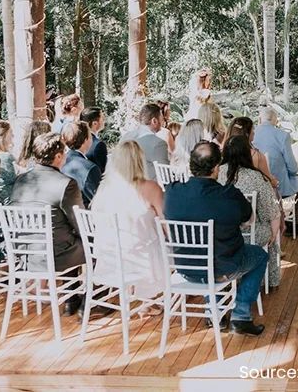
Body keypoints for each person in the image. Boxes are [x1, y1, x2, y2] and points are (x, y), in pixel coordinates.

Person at [163, 141, 266, 336]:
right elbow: (248, 219)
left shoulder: (172, 192)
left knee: (213, 253)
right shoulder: (228, 195)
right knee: (259, 256)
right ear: (216, 168)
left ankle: (214, 313)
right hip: (223, 268)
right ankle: (241, 315)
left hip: (185, 268)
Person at [8, 133, 85, 314]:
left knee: (65, 236)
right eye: (64, 153)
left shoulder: (21, 180)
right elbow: (79, 222)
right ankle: (92, 302)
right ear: (58, 157)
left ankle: (72, 299)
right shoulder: (66, 183)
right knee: (94, 245)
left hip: (25, 254)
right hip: (55, 255)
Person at [90, 141, 166, 303]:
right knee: (156, 236)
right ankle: (147, 298)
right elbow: (166, 224)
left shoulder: (104, 188)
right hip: (141, 258)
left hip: (110, 257)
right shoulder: (151, 188)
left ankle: (139, 294)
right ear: (139, 161)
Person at [225, 135, 283, 288]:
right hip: (251, 233)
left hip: (222, 235)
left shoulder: (216, 173)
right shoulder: (256, 177)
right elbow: (272, 212)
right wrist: (274, 233)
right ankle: (268, 280)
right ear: (246, 153)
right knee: (270, 233)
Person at [254, 107, 298, 236]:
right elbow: (293, 168)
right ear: (275, 120)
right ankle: (293, 222)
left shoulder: (252, 134)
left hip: (256, 188)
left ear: (260, 119)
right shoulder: (282, 135)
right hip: (278, 187)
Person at [119, 103, 170, 181]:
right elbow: (166, 176)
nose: (163, 122)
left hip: (126, 186)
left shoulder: (126, 137)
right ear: (154, 121)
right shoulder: (158, 144)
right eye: (162, 118)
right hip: (150, 189)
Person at [225, 117, 279, 189]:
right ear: (247, 134)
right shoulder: (256, 155)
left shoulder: (224, 153)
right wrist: (274, 181)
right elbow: (268, 181)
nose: (254, 132)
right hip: (252, 196)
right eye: (252, 129)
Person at [60, 122, 103, 206]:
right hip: (84, 216)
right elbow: (99, 201)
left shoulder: (60, 162)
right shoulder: (90, 168)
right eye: (90, 135)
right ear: (86, 139)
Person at [79, 108, 108, 175]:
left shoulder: (77, 140)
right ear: (94, 123)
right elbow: (101, 172)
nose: (104, 121)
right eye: (102, 119)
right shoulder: (99, 145)